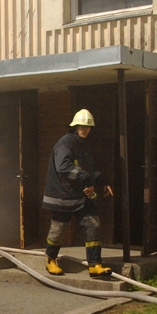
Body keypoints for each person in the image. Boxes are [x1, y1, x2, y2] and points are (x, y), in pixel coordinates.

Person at [42, 109, 114, 278]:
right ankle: (50, 260)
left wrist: (102, 181)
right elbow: (64, 167)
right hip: (62, 197)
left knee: (93, 225)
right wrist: (87, 181)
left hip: (81, 197)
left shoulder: (84, 146)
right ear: (75, 126)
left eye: (88, 126)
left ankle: (95, 265)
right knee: (58, 231)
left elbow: (87, 169)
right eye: (81, 126)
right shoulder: (65, 143)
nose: (85, 129)